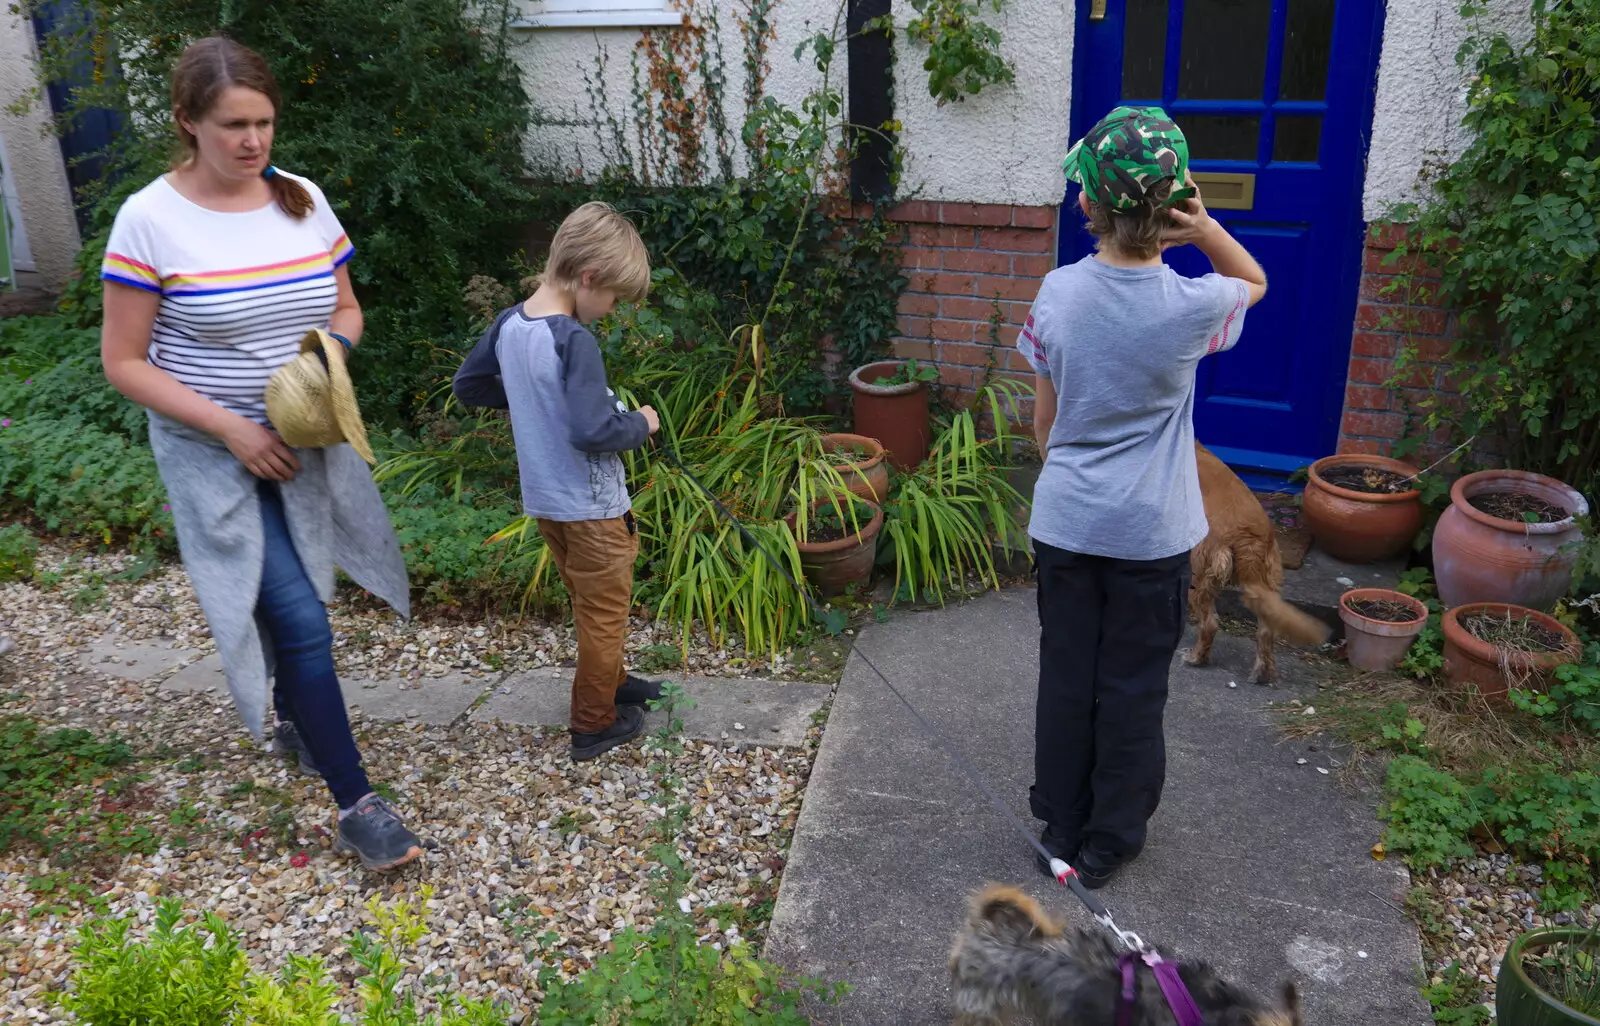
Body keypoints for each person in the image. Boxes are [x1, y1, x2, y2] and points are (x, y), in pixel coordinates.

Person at [100, 36, 423, 871]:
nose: (253, 142)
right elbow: (124, 363)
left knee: (295, 593)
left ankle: (295, 718)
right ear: (189, 122)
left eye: (265, 123)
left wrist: (327, 365)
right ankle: (358, 802)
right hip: (215, 451)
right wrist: (234, 429)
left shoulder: (301, 200)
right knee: (301, 615)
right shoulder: (149, 219)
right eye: (234, 125)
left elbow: (346, 308)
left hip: (303, 438)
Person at [1019, 106, 1268, 889]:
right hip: (1153, 537)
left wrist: (1068, 467)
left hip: (1067, 523)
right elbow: (1254, 281)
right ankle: (1107, 843)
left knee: (1067, 674)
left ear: (1086, 204)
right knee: (1131, 688)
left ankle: (1060, 821)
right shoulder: (1193, 306)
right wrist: (1205, 229)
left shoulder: (1058, 294)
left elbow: (1044, 426)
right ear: (1173, 209)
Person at [452, 202, 662, 761]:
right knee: (604, 614)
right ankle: (594, 723)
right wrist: (642, 422)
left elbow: (469, 386)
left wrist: (530, 404)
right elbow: (596, 431)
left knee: (589, 606)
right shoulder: (573, 339)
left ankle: (612, 683)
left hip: (548, 504)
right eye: (614, 298)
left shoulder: (510, 324)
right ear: (589, 277)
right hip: (592, 508)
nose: (611, 311)